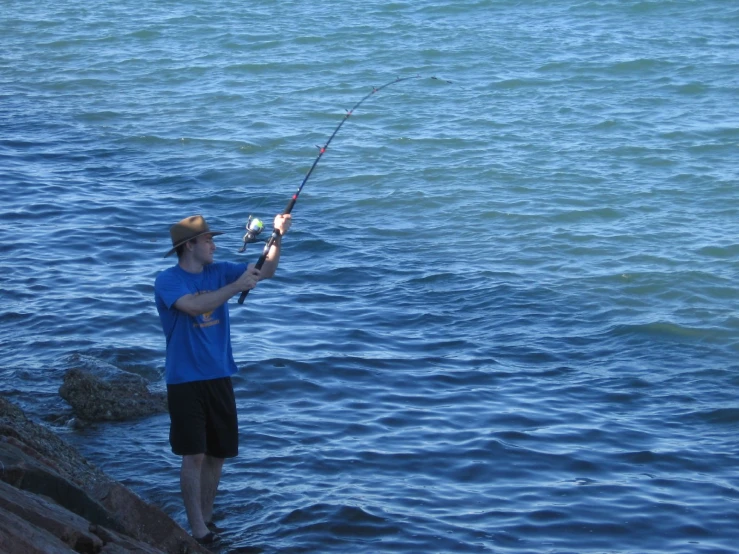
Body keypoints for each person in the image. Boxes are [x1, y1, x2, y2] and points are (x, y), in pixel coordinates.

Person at [154, 213, 291, 544]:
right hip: (184, 379)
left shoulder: (219, 271)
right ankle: (197, 528)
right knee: (194, 454)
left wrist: (278, 236)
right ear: (189, 247)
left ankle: (208, 517)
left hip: (219, 375)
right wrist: (234, 288)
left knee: (217, 453)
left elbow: (266, 271)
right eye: (207, 240)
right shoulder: (168, 280)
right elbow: (193, 306)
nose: (214, 245)